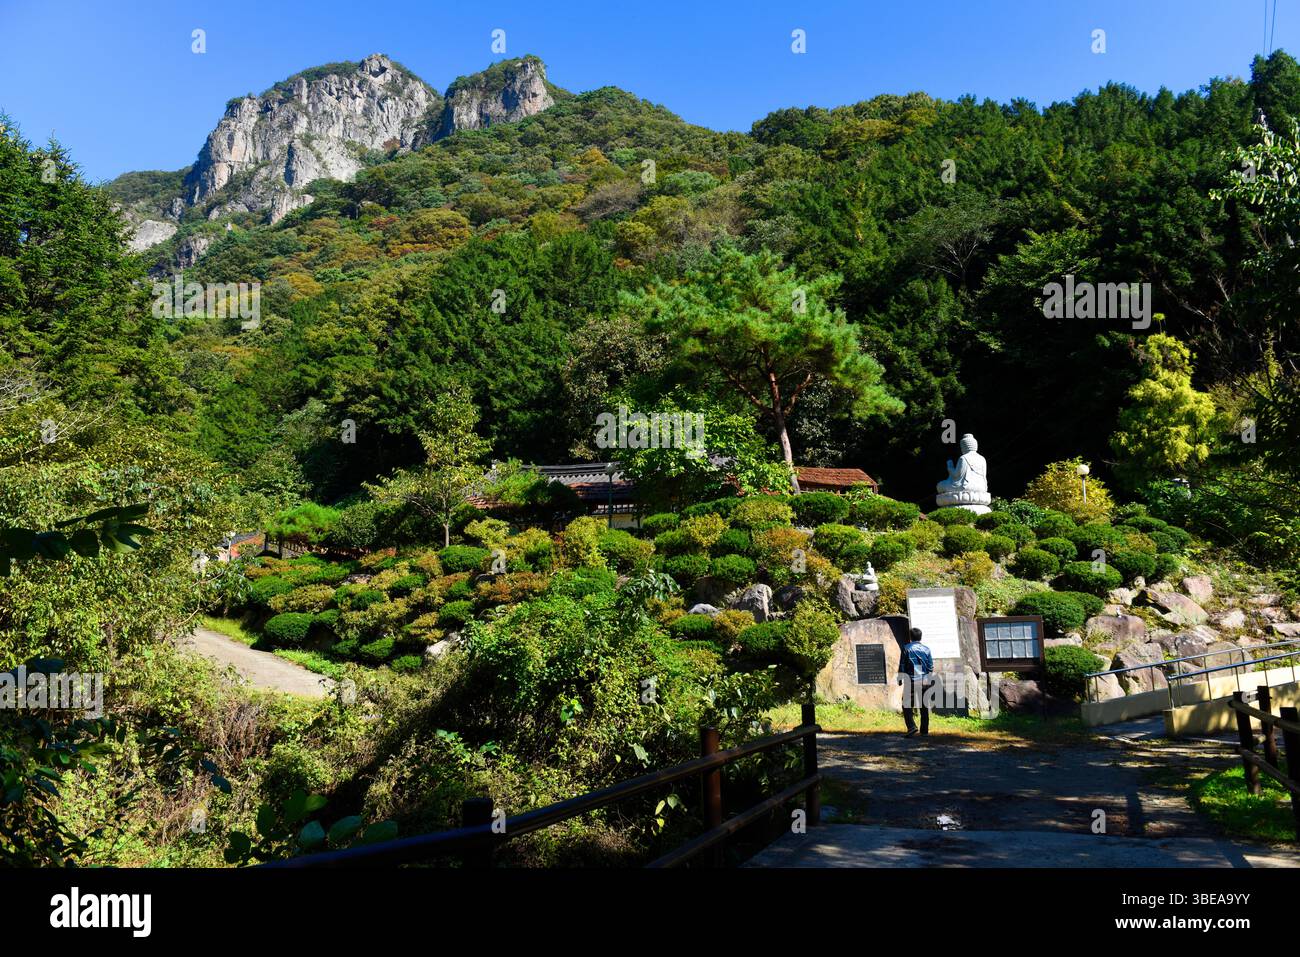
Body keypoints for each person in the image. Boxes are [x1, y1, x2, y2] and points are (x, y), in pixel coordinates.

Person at [899, 627, 934, 737]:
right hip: (924, 681)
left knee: (907, 705)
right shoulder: (927, 649)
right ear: (920, 637)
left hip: (911, 680)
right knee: (924, 706)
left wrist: (900, 678)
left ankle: (911, 727)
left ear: (911, 637)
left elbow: (903, 664)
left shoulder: (906, 648)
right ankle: (924, 730)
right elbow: (930, 667)